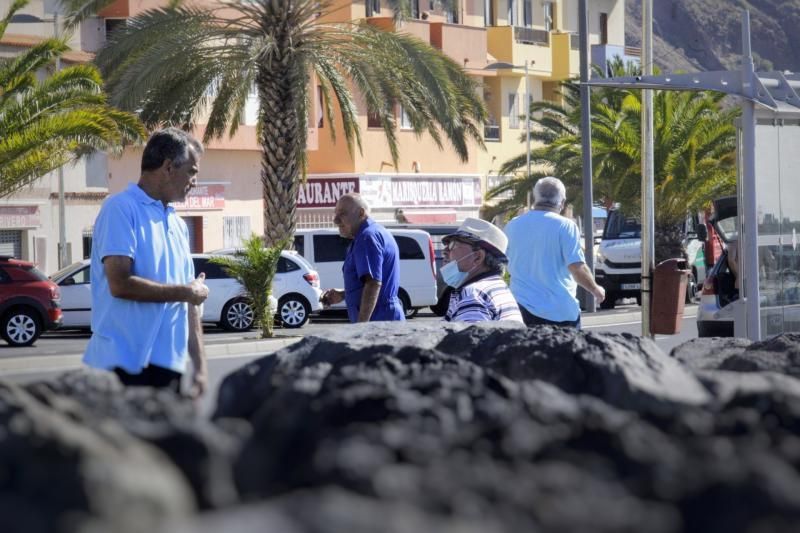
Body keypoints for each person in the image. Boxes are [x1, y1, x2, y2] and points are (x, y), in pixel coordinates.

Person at [83, 128, 210, 397]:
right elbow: (120, 284)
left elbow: (190, 305)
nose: (195, 181)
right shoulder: (120, 208)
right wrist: (186, 292)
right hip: (120, 368)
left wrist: (199, 368)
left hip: (167, 370)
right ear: (168, 167)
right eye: (191, 171)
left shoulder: (177, 224)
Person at [504, 176, 605, 328]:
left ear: (534, 198)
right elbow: (576, 268)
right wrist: (596, 290)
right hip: (560, 312)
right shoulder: (565, 226)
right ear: (562, 202)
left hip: (522, 310)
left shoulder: (512, 226)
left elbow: (502, 263)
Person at [320, 193, 405, 322]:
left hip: (379, 322)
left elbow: (373, 283)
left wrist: (362, 328)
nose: (335, 220)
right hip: (384, 318)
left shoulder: (367, 237)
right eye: (335, 214)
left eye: (342, 214)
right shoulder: (372, 233)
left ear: (360, 213)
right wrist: (344, 294)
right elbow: (369, 283)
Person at [441, 218, 523, 323]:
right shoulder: (495, 287)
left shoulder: (473, 294)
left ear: (477, 257)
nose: (445, 251)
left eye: (453, 245)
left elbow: (469, 338)